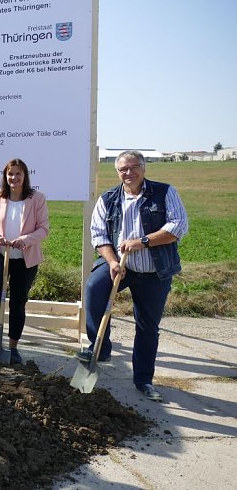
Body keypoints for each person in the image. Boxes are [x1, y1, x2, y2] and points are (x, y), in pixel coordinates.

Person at [77, 150, 188, 401]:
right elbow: (99, 236)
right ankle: (100, 348)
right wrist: (113, 261)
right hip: (121, 265)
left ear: (144, 167)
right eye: (123, 169)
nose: (129, 173)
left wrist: (142, 242)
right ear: (117, 172)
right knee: (94, 286)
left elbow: (178, 226)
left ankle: (143, 380)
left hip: (154, 270)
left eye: (133, 167)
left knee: (147, 326)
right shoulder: (108, 199)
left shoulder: (164, 192)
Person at [0, 158, 50, 365]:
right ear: (5, 176)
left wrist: (25, 240)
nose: (14, 178)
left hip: (25, 258)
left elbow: (43, 229)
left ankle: (13, 347)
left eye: (18, 174)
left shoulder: (37, 198)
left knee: (18, 301)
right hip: (0, 255)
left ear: (25, 176)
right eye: (10, 174)